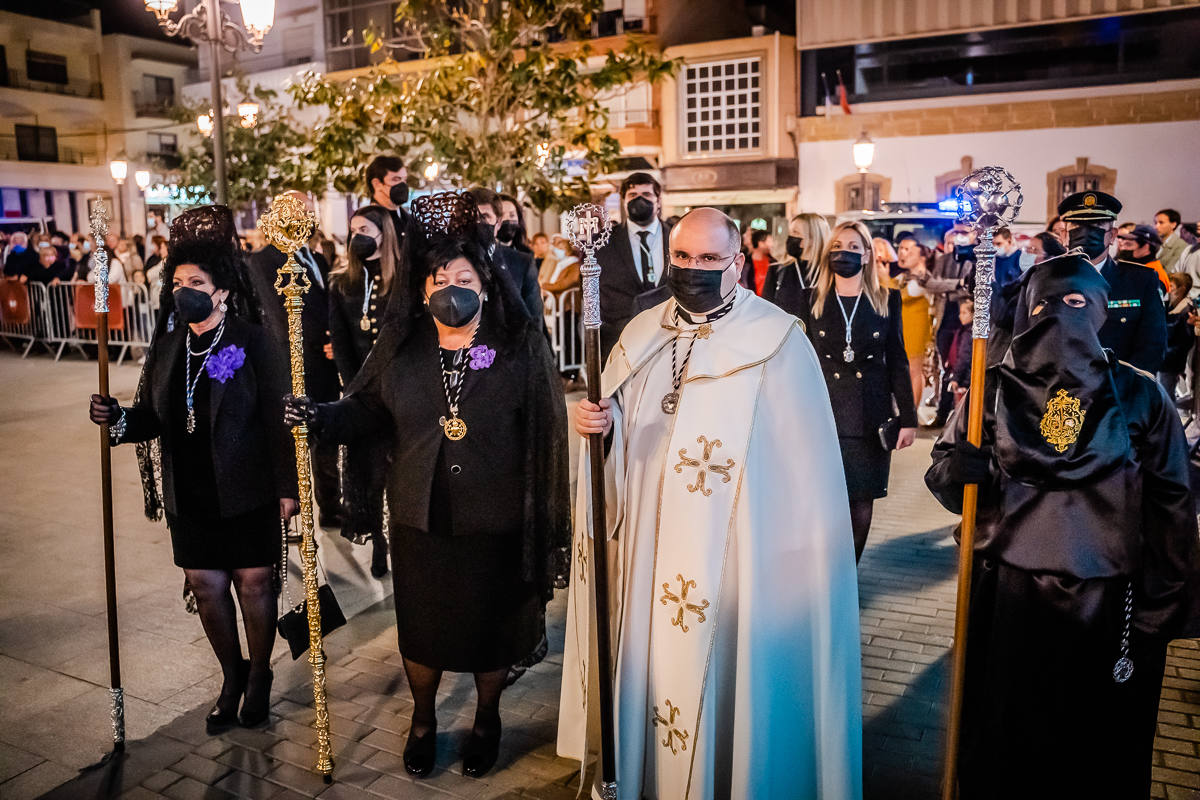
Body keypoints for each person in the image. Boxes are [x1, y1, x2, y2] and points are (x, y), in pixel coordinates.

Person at [560, 207, 862, 799]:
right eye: (682, 257)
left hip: (731, 563)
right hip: (648, 557)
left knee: (724, 680)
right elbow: (618, 435)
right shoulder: (641, 334)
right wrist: (601, 424)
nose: (693, 269)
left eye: (709, 259)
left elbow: (803, 477)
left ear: (736, 262)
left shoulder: (776, 340)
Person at [284, 191, 570, 779]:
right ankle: (423, 720)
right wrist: (318, 414)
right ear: (419, 290)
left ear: (486, 284)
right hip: (421, 514)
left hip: (497, 515)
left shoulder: (518, 347)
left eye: (463, 276)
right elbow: (364, 412)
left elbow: (545, 428)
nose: (450, 287)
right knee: (423, 627)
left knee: (492, 628)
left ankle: (487, 718)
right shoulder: (403, 352)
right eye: (437, 278)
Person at [925, 253, 1200, 800]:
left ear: (1099, 311)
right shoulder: (992, 389)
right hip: (1008, 592)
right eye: (1047, 304)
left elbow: (1172, 503)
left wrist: (1162, 603)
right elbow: (950, 477)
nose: (1060, 317)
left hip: (1107, 600)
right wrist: (957, 472)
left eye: (1076, 304)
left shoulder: (1141, 394)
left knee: (1093, 745)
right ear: (1027, 311)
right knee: (1005, 734)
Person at [87, 205, 298, 734]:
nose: (185, 290)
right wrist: (117, 420)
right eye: (177, 281)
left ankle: (259, 679)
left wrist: (287, 485)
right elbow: (154, 418)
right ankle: (232, 676)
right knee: (206, 584)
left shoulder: (250, 341)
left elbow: (278, 418)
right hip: (192, 488)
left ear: (221, 289)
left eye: (196, 281)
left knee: (254, 583)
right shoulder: (170, 344)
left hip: (247, 487)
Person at [792, 221, 918, 560]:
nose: (842, 252)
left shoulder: (886, 298)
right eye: (836, 247)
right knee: (822, 499)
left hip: (870, 415)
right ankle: (824, 576)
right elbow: (795, 359)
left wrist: (908, 418)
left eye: (851, 246)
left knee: (861, 500)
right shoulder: (811, 299)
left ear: (866, 255)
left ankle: (849, 575)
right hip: (823, 413)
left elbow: (898, 359)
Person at [244, 191, 343, 529]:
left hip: (325, 365)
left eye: (310, 211)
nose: (305, 217)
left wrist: (336, 341)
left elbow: (327, 306)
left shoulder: (319, 256)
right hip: (292, 364)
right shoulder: (263, 260)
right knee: (294, 442)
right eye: (299, 210)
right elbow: (279, 317)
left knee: (327, 435)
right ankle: (292, 513)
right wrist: (318, 340)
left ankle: (331, 504)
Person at [327, 204, 407, 577]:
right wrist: (351, 385)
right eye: (353, 227)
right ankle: (378, 540)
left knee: (400, 470)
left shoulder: (405, 276)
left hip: (401, 389)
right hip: (362, 391)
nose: (356, 234)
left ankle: (401, 537)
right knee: (370, 473)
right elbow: (341, 341)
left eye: (364, 227)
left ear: (383, 233)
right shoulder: (342, 281)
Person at [1060, 191, 1167, 374]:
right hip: (1061, 393)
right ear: (1063, 235)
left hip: (1119, 392)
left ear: (1112, 235)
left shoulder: (1140, 281)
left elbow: (1153, 345)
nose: (1086, 233)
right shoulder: (1044, 279)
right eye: (1078, 225)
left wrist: (1123, 387)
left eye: (1096, 225)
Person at [595, 172, 670, 360]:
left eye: (646, 195)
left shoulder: (678, 237)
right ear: (623, 201)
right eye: (633, 195)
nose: (640, 200)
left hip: (671, 337)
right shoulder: (603, 243)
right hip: (620, 339)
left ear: (658, 200)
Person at [924, 224, 975, 426]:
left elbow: (971, 288)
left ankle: (961, 415)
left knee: (962, 365)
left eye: (961, 240)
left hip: (966, 321)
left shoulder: (973, 259)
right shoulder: (943, 260)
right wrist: (956, 285)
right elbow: (932, 284)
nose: (956, 245)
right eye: (952, 242)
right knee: (945, 367)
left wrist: (949, 288)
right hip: (946, 321)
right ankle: (941, 413)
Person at [468, 187, 542, 320]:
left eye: (485, 217)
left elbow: (534, 316)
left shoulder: (522, 262)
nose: (478, 223)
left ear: (498, 223)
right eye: (471, 217)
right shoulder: (449, 260)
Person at [894, 234, 935, 410]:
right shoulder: (904, 276)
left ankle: (912, 411)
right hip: (902, 327)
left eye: (908, 249)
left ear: (922, 253)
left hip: (917, 328)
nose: (902, 253)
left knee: (914, 370)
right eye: (900, 248)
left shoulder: (924, 277)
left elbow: (904, 295)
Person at [762, 212, 830, 314]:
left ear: (812, 238)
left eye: (795, 232)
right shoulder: (777, 270)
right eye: (790, 232)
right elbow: (766, 311)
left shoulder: (830, 272)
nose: (790, 237)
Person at [1160, 272, 1194, 399]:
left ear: (1182, 289)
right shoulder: (1170, 306)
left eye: (1172, 286)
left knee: (1166, 397)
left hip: (1170, 363)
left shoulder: (1186, 311)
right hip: (1163, 360)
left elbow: (1185, 341)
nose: (1169, 289)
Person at [365, 155, 410, 230]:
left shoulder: (409, 220)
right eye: (396, 179)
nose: (403, 185)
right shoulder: (365, 222)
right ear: (376, 184)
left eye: (405, 180)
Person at [739, 229, 777, 296]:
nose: (772, 245)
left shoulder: (774, 263)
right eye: (770, 241)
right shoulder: (744, 263)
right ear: (760, 243)